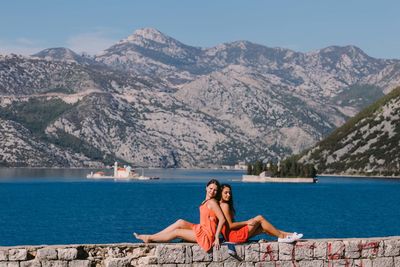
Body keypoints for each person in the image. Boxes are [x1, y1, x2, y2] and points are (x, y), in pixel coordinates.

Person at [134, 179, 226, 252]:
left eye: (215, 190)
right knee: (180, 222)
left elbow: (222, 219)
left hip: (207, 235)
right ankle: (153, 236)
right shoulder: (205, 201)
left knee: (177, 232)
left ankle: (149, 238)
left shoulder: (212, 202)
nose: (212, 191)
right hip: (201, 229)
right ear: (206, 188)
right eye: (211, 188)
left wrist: (217, 237)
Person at [219, 184, 303, 243]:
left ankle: (290, 235)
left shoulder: (221, 205)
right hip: (234, 236)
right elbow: (230, 225)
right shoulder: (224, 205)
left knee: (263, 228)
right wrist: (247, 222)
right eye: (226, 193)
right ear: (220, 193)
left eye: (230, 192)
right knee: (259, 218)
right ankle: (282, 237)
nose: (229, 195)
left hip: (231, 237)